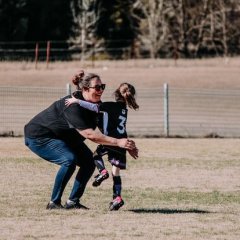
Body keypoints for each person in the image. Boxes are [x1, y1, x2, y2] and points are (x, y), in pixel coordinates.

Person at [24, 70, 137, 210]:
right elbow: (91, 135)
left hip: (65, 138)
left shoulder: (94, 105)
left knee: (89, 162)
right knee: (68, 160)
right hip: (40, 136)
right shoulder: (72, 106)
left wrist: (126, 145)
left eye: (102, 87)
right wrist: (118, 142)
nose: (100, 90)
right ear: (85, 89)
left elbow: (111, 129)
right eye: (97, 87)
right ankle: (54, 202)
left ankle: (72, 202)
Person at [65, 82, 139, 210]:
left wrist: (77, 101)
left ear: (117, 94)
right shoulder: (124, 110)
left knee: (95, 155)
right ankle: (117, 198)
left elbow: (94, 107)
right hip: (122, 143)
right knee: (116, 172)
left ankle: (102, 172)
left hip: (112, 141)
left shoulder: (110, 106)